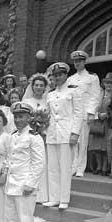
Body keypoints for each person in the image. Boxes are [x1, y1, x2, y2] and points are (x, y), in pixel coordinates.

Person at [43, 62, 83, 209]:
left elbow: (79, 113)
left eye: (60, 75)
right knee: (52, 167)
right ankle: (54, 197)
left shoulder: (73, 91)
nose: (58, 77)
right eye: (55, 75)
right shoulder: (50, 94)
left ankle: (64, 199)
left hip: (67, 132)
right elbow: (47, 114)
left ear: (66, 75)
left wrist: (75, 133)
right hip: (52, 132)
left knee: (65, 167)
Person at [5, 102, 45, 222]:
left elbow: (38, 163)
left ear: (28, 118)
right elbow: (9, 158)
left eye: (21, 117)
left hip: (24, 185)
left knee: (25, 220)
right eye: (15, 117)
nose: (17, 120)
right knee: (10, 219)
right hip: (10, 184)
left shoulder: (34, 137)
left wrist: (31, 183)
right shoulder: (13, 136)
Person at [68, 50, 101, 177]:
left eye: (79, 61)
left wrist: (91, 112)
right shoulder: (70, 79)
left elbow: (95, 95)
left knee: (83, 141)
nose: (77, 63)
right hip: (72, 113)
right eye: (75, 61)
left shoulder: (92, 77)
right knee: (73, 141)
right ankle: (73, 165)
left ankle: (81, 168)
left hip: (84, 113)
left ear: (84, 61)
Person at [22, 74, 49, 203]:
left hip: (44, 135)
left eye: (41, 85)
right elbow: (23, 119)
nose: (39, 87)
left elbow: (51, 118)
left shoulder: (47, 101)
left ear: (45, 87)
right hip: (31, 135)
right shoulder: (27, 102)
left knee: (42, 162)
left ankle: (42, 195)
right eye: (36, 85)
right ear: (32, 87)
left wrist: (44, 130)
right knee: (31, 162)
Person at [88, 75, 112, 176]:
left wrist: (107, 115)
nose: (108, 85)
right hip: (97, 122)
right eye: (106, 83)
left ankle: (105, 167)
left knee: (105, 148)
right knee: (96, 148)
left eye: (111, 83)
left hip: (108, 123)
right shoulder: (99, 94)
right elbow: (91, 107)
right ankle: (99, 166)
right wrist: (98, 115)